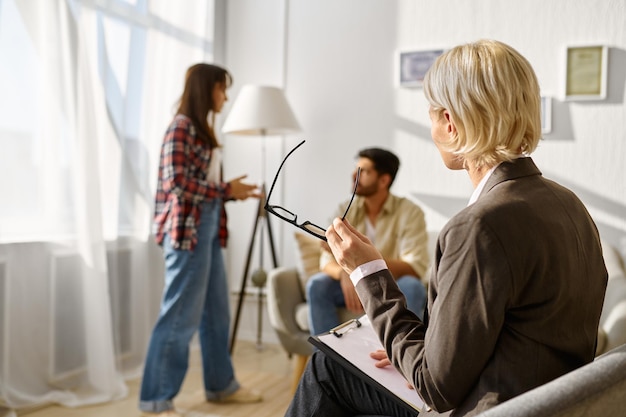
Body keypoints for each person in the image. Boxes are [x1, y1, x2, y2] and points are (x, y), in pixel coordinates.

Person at [285, 39, 608, 417]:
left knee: (326, 370)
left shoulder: (479, 226)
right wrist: (412, 355)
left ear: (451, 122)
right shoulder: (569, 204)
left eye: (433, 113)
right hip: (546, 402)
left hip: (490, 407)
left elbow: (435, 388)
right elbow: (511, 338)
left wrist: (366, 271)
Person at [139, 63, 263, 417]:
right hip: (188, 231)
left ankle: (221, 386)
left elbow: (199, 184)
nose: (225, 96)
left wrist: (231, 193)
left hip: (205, 226)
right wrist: (226, 189)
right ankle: (156, 401)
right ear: (206, 88)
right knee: (179, 316)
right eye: (222, 88)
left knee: (216, 314)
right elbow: (178, 184)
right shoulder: (181, 128)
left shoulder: (200, 128)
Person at [306, 148, 429, 336]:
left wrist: (362, 267)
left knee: (412, 286)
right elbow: (325, 261)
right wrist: (344, 274)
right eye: (356, 169)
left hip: (392, 287)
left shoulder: (410, 212)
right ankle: (329, 361)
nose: (354, 175)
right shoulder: (345, 209)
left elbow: (414, 266)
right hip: (354, 286)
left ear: (384, 180)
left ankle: (405, 358)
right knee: (317, 285)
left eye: (364, 171)